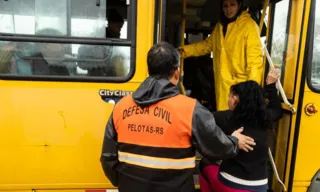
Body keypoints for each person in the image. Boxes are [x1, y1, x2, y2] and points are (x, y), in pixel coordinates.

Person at [100, 42, 256, 192]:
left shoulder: (121, 107)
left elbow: (107, 157)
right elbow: (215, 146)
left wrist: (125, 184)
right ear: (176, 72)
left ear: (148, 70)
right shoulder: (191, 109)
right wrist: (235, 141)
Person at [199, 69, 283, 192]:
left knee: (204, 163)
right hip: (260, 187)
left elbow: (198, 122)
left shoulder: (225, 118)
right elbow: (276, 108)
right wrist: (270, 85)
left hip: (231, 185)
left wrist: (229, 140)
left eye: (230, 95)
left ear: (235, 99)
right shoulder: (266, 118)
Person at [178, 0, 264, 111]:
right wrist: (182, 51)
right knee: (224, 123)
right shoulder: (219, 27)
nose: (228, 9)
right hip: (222, 89)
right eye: (225, 6)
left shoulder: (249, 26)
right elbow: (206, 46)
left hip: (240, 91)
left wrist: (251, 94)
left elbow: (255, 63)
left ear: (239, 5)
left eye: (232, 5)